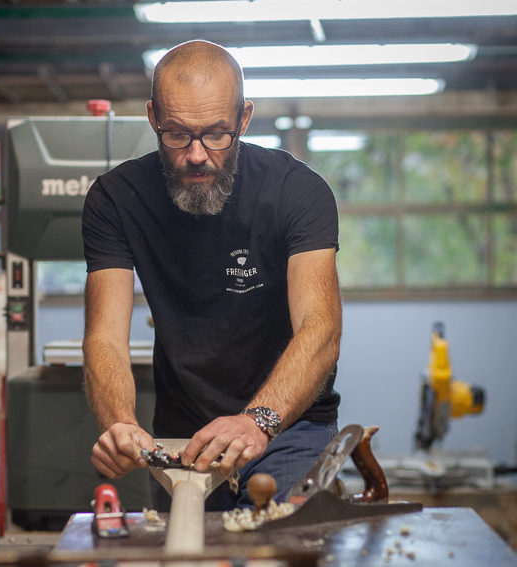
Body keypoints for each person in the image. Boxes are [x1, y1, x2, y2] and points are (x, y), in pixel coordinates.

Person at [81, 39, 342, 511]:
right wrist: (119, 423)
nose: (197, 155)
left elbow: (319, 329)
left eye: (217, 134)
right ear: (153, 117)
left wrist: (257, 421)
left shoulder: (298, 192)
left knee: (273, 551)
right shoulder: (115, 200)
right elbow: (104, 337)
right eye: (177, 134)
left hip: (289, 428)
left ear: (243, 119)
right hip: (183, 437)